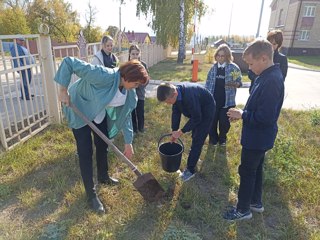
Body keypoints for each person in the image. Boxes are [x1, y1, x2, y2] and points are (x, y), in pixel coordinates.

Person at [54, 57, 149, 214]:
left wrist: (128, 142)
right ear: (126, 77)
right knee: (86, 152)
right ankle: (91, 195)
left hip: (97, 111)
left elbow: (126, 115)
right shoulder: (104, 75)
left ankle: (103, 176)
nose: (136, 87)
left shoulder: (129, 93)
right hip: (79, 107)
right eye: (136, 83)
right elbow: (69, 62)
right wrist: (63, 90)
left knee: (102, 145)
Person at [223, 39, 284, 221]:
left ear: (264, 58)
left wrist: (243, 115)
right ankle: (255, 202)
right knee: (256, 169)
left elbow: (265, 117)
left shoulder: (272, 81)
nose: (249, 68)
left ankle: (243, 210)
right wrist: (243, 114)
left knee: (247, 170)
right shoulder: (265, 75)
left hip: (258, 137)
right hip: (258, 136)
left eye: (251, 63)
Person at [157, 82, 216, 182]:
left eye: (167, 101)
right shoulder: (176, 94)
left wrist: (181, 131)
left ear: (174, 94)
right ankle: (194, 156)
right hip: (196, 110)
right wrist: (174, 131)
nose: (167, 104)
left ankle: (190, 170)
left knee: (198, 139)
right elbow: (176, 113)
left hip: (206, 110)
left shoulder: (189, 96)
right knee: (195, 134)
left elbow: (197, 117)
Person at [205, 44, 242, 146]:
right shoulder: (213, 68)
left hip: (227, 101)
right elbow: (208, 83)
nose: (220, 58)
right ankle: (213, 139)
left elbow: (239, 83)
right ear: (216, 56)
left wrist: (234, 84)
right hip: (213, 101)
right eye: (219, 55)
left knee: (224, 122)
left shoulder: (234, 68)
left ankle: (222, 139)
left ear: (227, 56)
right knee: (212, 121)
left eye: (223, 56)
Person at [128, 44, 149, 133]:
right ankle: (134, 129)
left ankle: (141, 128)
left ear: (139, 54)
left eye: (137, 54)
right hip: (130, 94)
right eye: (133, 54)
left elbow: (147, 79)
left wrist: (140, 84)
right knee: (132, 112)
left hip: (140, 94)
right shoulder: (127, 66)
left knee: (140, 112)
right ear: (129, 54)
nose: (135, 56)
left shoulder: (143, 65)